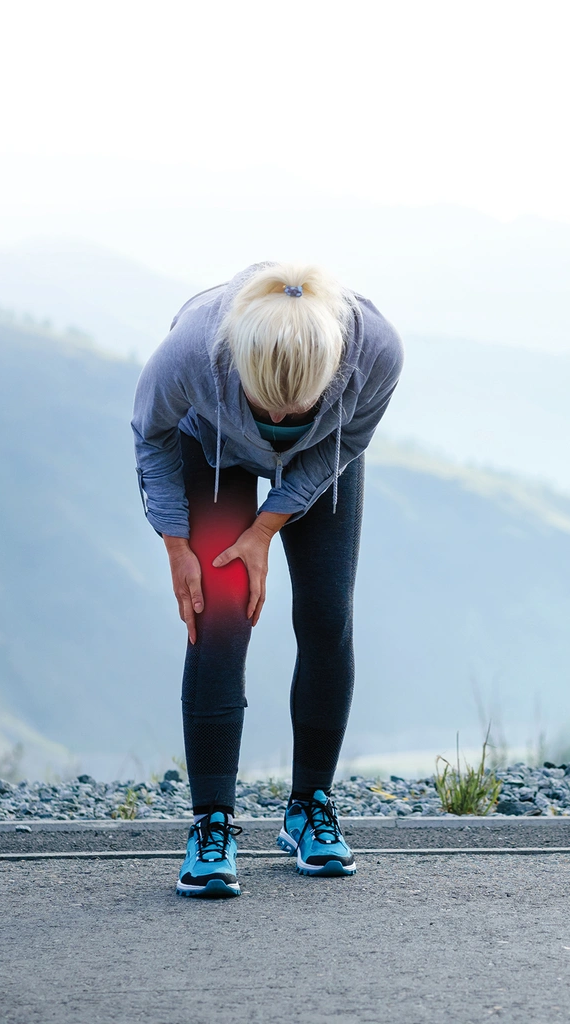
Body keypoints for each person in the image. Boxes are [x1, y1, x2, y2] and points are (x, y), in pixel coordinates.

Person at [131, 261, 403, 897]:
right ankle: (212, 822)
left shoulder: (376, 354)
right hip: (212, 448)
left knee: (327, 613)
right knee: (218, 611)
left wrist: (264, 529)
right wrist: (177, 542)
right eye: (265, 407)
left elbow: (351, 442)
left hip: (324, 457)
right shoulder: (191, 353)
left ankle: (310, 807)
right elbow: (152, 437)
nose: (278, 420)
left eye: (295, 410)